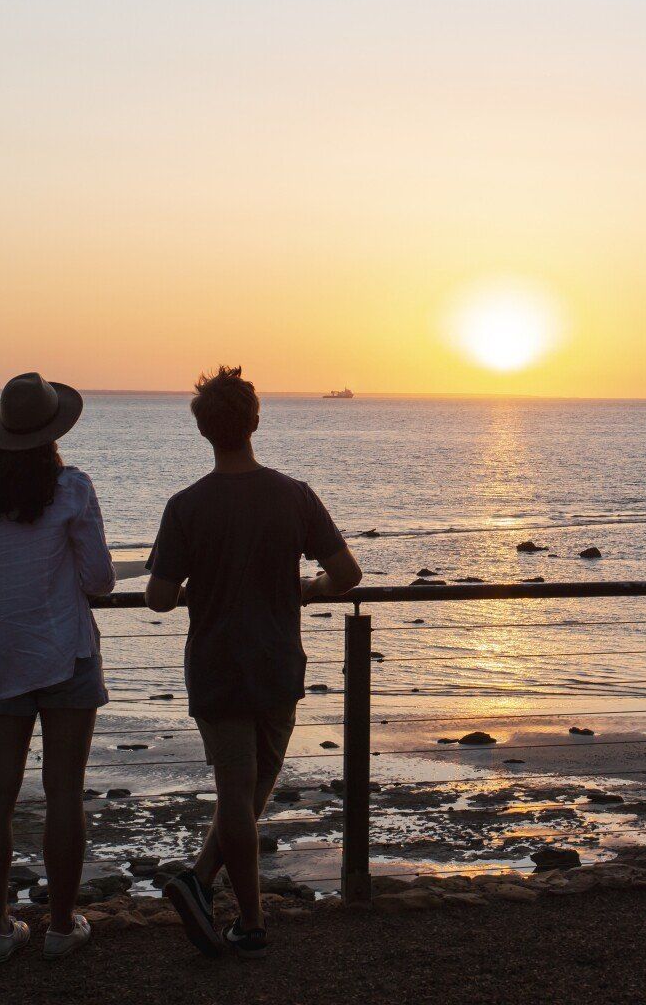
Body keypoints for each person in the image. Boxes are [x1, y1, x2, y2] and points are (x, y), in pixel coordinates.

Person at [146, 365, 362, 959]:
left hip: (217, 665)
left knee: (239, 793)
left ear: (203, 432)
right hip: (276, 663)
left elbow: (160, 597)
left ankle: (221, 898)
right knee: (248, 793)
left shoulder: (185, 506)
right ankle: (238, 912)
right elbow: (347, 575)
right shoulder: (293, 495)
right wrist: (309, 588)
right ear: (255, 422)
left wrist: (190, 587)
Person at [0, 372, 114, 964]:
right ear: (53, 434)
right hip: (65, 653)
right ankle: (62, 926)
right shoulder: (71, 489)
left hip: (0, 656)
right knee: (64, 791)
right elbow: (98, 579)